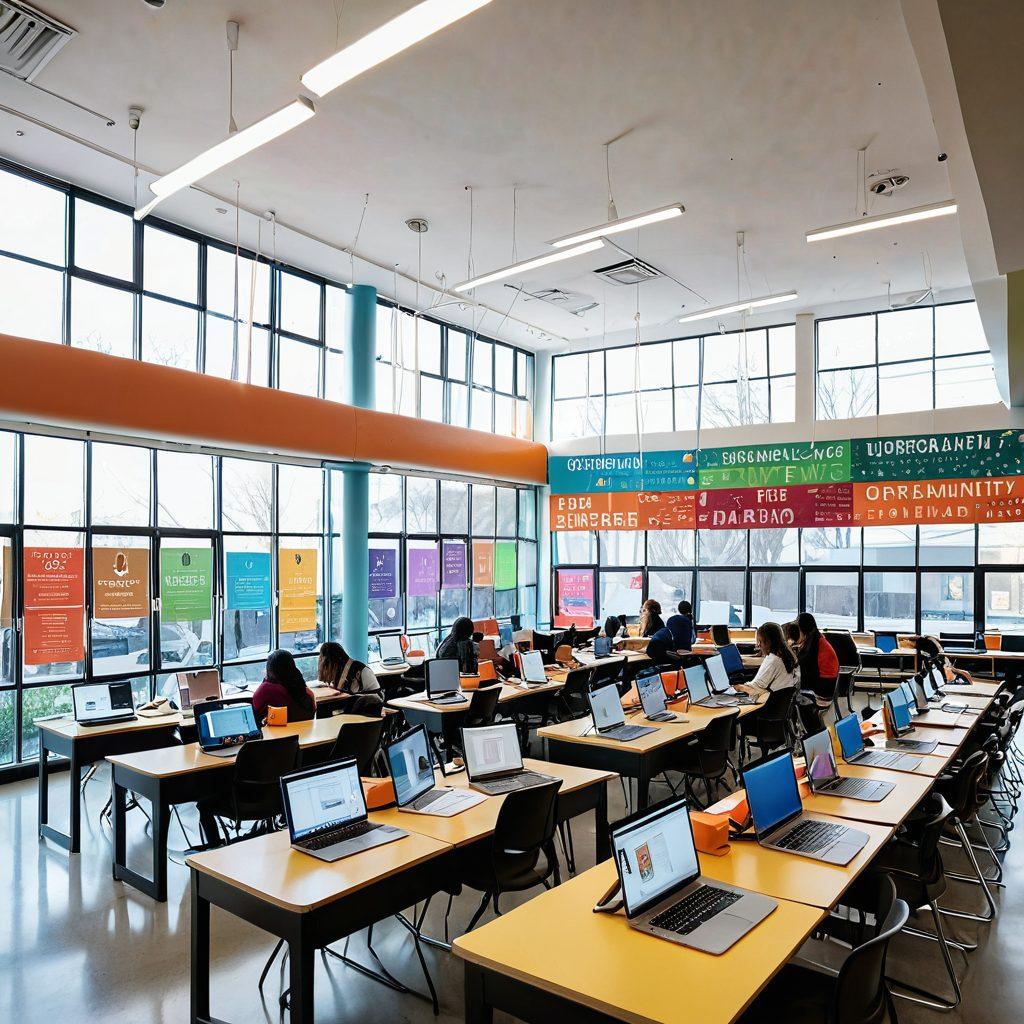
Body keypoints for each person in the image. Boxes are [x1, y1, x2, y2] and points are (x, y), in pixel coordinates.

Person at [317, 641, 383, 716]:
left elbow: (350, 696)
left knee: (324, 708)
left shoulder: (356, 670)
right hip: (360, 703)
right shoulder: (342, 667)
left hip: (368, 707)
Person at [251, 649, 316, 724]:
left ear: (270, 669)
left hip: (281, 733)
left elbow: (255, 712)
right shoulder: (299, 683)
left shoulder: (266, 690)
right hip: (305, 732)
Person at [736, 621, 799, 695]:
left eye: (760, 641)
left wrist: (738, 687)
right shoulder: (787, 656)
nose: (758, 645)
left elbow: (755, 689)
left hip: (767, 703)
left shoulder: (773, 661)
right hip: (778, 702)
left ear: (768, 642)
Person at [794, 612, 840, 705]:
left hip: (823, 689)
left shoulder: (814, 644)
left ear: (803, 629)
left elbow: (804, 668)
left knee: (786, 689)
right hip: (827, 684)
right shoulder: (817, 638)